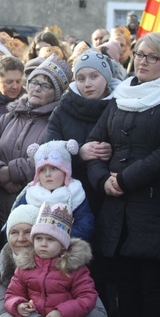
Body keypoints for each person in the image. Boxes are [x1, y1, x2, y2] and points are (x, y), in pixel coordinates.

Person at [85, 32, 160, 317]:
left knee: (154, 289)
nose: (143, 61)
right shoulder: (122, 94)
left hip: (156, 209)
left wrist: (123, 180)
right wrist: (102, 180)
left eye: (152, 57)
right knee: (126, 287)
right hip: (117, 211)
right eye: (140, 54)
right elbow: (96, 143)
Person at [0, 56, 72, 221]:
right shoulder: (9, 117)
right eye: (34, 82)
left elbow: (50, 158)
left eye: (46, 85)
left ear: (57, 93)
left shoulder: (59, 123)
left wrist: (10, 172)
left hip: (35, 212)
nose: (37, 88)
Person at [45, 50, 120, 213]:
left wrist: (112, 151)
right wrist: (78, 152)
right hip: (70, 198)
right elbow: (48, 152)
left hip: (112, 195)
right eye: (81, 78)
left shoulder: (122, 107)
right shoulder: (62, 111)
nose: (87, 84)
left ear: (106, 78)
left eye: (94, 76)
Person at [4, 203, 101, 317]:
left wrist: (62, 312)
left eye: (50, 239)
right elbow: (11, 295)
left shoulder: (73, 268)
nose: (43, 244)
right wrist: (18, 305)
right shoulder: (25, 267)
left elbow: (87, 297)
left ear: (62, 244)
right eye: (39, 238)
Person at [14, 140, 94, 242]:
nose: (47, 174)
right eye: (42, 170)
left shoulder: (76, 193)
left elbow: (86, 226)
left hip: (66, 250)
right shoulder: (30, 194)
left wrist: (58, 236)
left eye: (53, 168)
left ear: (66, 171)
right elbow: (15, 223)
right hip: (30, 248)